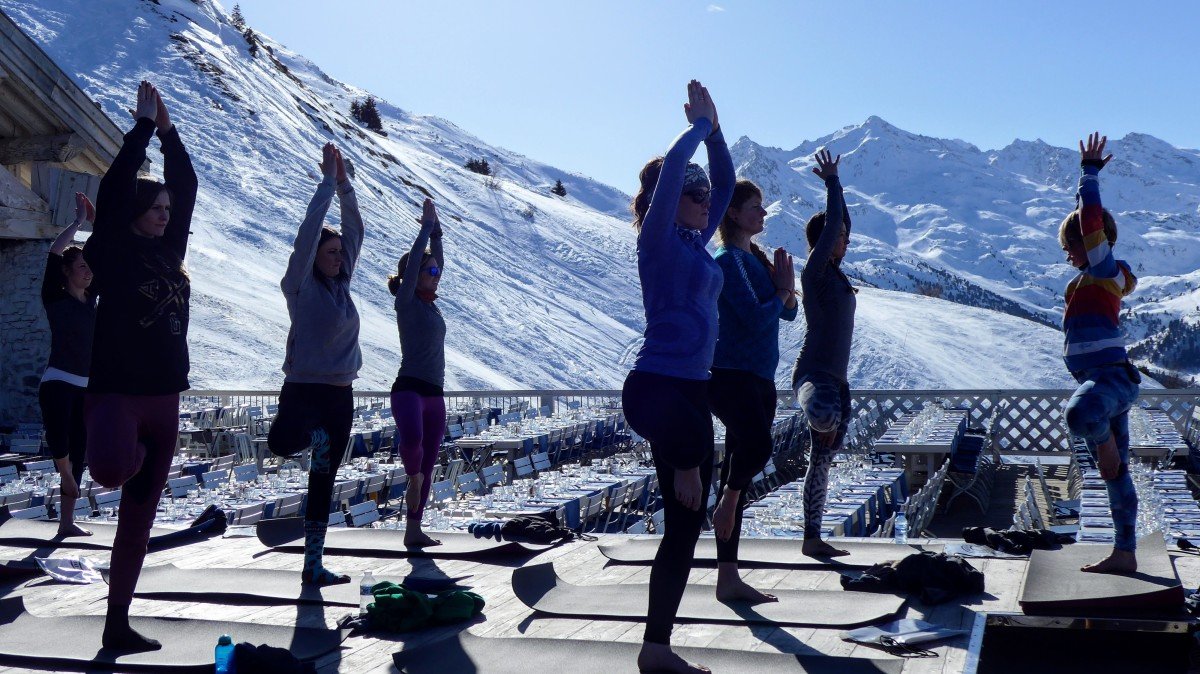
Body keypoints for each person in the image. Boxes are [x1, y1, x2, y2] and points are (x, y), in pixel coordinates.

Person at [621, 79, 733, 674]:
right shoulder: (658, 242)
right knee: (688, 485)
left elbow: (726, 183)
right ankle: (655, 649)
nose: (706, 201)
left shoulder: (695, 243)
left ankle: (655, 649)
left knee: (685, 527)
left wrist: (716, 131)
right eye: (698, 195)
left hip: (691, 392)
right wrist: (693, 133)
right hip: (656, 390)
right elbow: (670, 184)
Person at [83, 81, 197, 652]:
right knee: (108, 471)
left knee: (138, 519)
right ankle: (141, 457)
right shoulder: (110, 246)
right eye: (155, 209)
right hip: (115, 391)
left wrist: (172, 132)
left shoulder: (169, 250)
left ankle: (116, 623)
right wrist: (144, 128)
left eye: (167, 212)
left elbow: (186, 184)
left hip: (164, 395)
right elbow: (114, 186)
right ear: (136, 212)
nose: (164, 215)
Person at [268, 142, 364, 586]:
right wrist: (326, 184)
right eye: (331, 252)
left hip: (340, 394)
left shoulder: (342, 287)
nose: (338, 257)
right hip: (304, 388)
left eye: (340, 254)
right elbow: (308, 235)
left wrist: (346, 188)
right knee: (282, 444)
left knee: (324, 479)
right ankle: (314, 437)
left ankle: (313, 564)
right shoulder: (300, 285)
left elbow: (355, 230)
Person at [707, 179, 796, 602]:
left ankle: (728, 578)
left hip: (760, 377)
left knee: (741, 461)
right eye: (755, 207)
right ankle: (726, 501)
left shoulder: (754, 259)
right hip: (731, 374)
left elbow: (789, 315)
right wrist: (780, 293)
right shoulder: (728, 261)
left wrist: (785, 287)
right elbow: (755, 318)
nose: (763, 214)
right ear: (734, 214)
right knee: (756, 449)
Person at [1060, 133, 1140, 574]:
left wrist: (1088, 173)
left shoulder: (1105, 271)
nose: (1069, 255)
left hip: (1109, 380)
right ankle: (1124, 552)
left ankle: (1104, 445)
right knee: (1116, 474)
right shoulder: (1088, 280)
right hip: (1104, 380)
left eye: (1071, 247)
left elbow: (1090, 223)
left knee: (1080, 417)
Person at [790, 149, 855, 558]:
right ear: (825, 242)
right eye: (841, 238)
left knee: (822, 461)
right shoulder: (814, 272)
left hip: (838, 380)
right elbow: (835, 223)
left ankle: (812, 537)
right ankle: (812, 538)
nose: (846, 240)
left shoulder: (835, 274)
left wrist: (840, 189)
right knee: (823, 415)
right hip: (813, 376)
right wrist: (832, 182)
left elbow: (843, 222)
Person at [388, 198, 446, 547]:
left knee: (430, 458)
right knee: (412, 445)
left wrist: (437, 231)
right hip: (408, 387)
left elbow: (437, 260)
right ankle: (412, 477)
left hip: (435, 393)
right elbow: (413, 271)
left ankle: (413, 529)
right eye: (431, 271)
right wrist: (424, 230)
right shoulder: (406, 301)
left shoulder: (432, 306)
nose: (437, 275)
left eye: (437, 272)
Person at [39, 192, 97, 537]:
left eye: (89, 267)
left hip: (86, 386)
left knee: (80, 451)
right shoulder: (55, 297)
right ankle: (63, 475)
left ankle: (66, 522)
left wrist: (96, 225)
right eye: (81, 267)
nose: (87, 271)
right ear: (67, 273)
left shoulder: (92, 300)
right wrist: (76, 223)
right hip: (58, 381)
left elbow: (105, 260)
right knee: (60, 441)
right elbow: (53, 253)